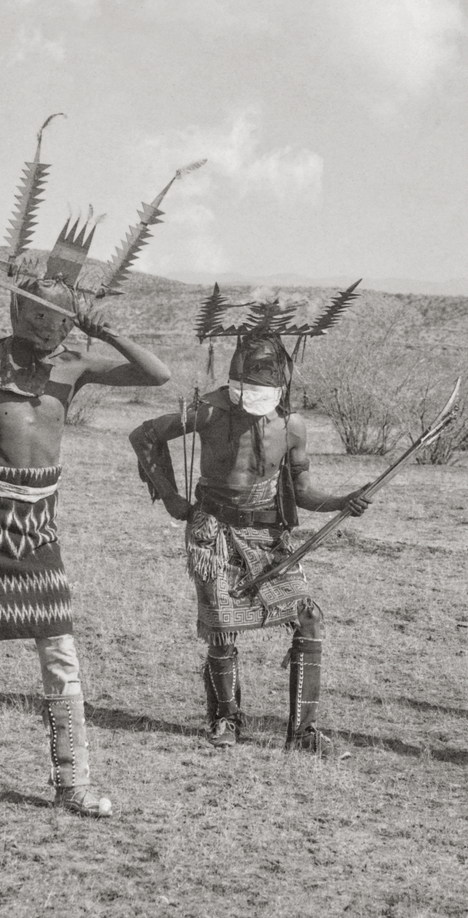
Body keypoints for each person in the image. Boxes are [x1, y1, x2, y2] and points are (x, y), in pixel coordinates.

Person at [0, 139, 190, 818]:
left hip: (36, 522)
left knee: (59, 648)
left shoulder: (73, 367)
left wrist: (105, 331)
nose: (52, 329)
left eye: (62, 319)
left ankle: (72, 783)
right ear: (19, 314)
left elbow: (158, 375)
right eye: (42, 317)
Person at [129, 289, 370, 756]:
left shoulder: (292, 426)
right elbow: (145, 435)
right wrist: (171, 496)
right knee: (222, 627)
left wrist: (343, 500)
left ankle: (303, 733)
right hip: (214, 533)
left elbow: (303, 492)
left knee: (309, 617)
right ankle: (225, 719)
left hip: (269, 536)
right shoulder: (210, 410)